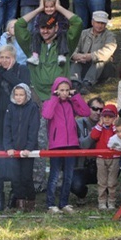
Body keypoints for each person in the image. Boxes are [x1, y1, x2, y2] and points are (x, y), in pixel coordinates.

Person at [0, 44, 30, 210]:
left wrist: (8, 73)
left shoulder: (22, 69)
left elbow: (23, 88)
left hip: (16, 119)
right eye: (1, 57)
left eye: (7, 57)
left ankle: (14, 194)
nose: (4, 61)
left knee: (13, 157)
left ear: (14, 58)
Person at [14, 0, 83, 101]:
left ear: (56, 27)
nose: (45, 31)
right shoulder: (31, 43)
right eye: (42, 27)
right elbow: (19, 25)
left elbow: (77, 22)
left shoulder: (67, 42)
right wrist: (39, 9)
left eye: (49, 28)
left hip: (60, 97)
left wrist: (58, 7)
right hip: (37, 96)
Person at [41, 76, 91, 213]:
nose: (64, 93)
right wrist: (54, 98)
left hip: (72, 144)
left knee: (68, 175)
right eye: (61, 90)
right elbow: (47, 115)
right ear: (56, 90)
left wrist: (76, 96)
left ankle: (64, 203)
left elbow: (86, 112)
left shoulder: (71, 103)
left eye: (67, 90)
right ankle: (51, 204)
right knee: (55, 175)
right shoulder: (50, 102)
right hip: (56, 145)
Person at [4, 83, 40, 211]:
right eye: (16, 95)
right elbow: (6, 128)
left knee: (26, 177)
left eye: (21, 95)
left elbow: (33, 128)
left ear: (27, 95)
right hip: (13, 149)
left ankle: (30, 201)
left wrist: (29, 148)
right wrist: (8, 147)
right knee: (15, 178)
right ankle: (20, 202)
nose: (18, 97)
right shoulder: (10, 108)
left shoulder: (32, 108)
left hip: (27, 150)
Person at [70, 11, 117, 95]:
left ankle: (88, 83)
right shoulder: (83, 33)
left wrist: (91, 56)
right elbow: (74, 46)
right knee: (75, 60)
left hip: (102, 68)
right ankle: (74, 81)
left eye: (102, 23)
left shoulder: (110, 36)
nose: (99, 25)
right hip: (84, 63)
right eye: (97, 22)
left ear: (105, 24)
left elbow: (107, 51)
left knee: (101, 60)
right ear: (92, 22)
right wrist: (75, 55)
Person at [90, 104, 119, 210]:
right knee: (102, 181)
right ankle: (101, 201)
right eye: (105, 117)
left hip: (114, 157)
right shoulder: (99, 127)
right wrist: (100, 124)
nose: (107, 119)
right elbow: (93, 136)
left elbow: (119, 137)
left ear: (115, 118)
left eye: (110, 117)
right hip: (101, 157)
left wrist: (115, 125)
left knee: (112, 182)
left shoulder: (117, 129)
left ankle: (111, 201)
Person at [26, 0, 69, 67]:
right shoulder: (40, 15)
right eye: (46, 7)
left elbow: (63, 26)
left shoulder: (59, 15)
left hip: (56, 34)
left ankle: (61, 55)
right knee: (35, 33)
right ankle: (35, 56)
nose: (49, 9)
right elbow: (36, 26)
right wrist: (43, 34)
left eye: (51, 7)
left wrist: (54, 35)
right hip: (43, 34)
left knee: (63, 33)